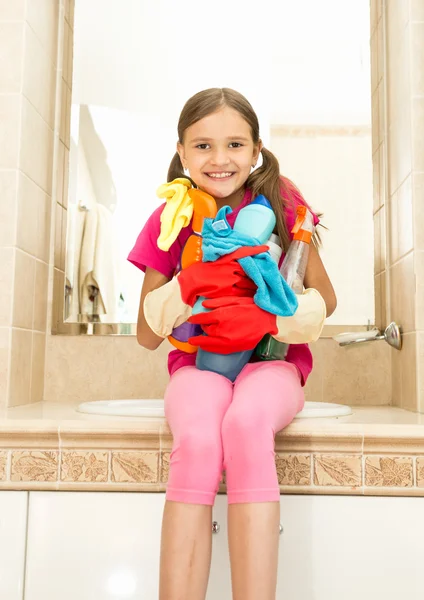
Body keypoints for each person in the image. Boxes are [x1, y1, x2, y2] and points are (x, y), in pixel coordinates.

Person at [128, 88, 337, 600]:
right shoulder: (172, 217)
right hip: (199, 366)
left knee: (245, 423)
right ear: (181, 152)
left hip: (272, 367)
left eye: (235, 145)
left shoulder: (284, 203)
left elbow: (325, 300)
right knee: (199, 438)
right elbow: (146, 336)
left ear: (256, 149)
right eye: (202, 146)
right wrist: (194, 281)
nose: (219, 160)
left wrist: (266, 311)